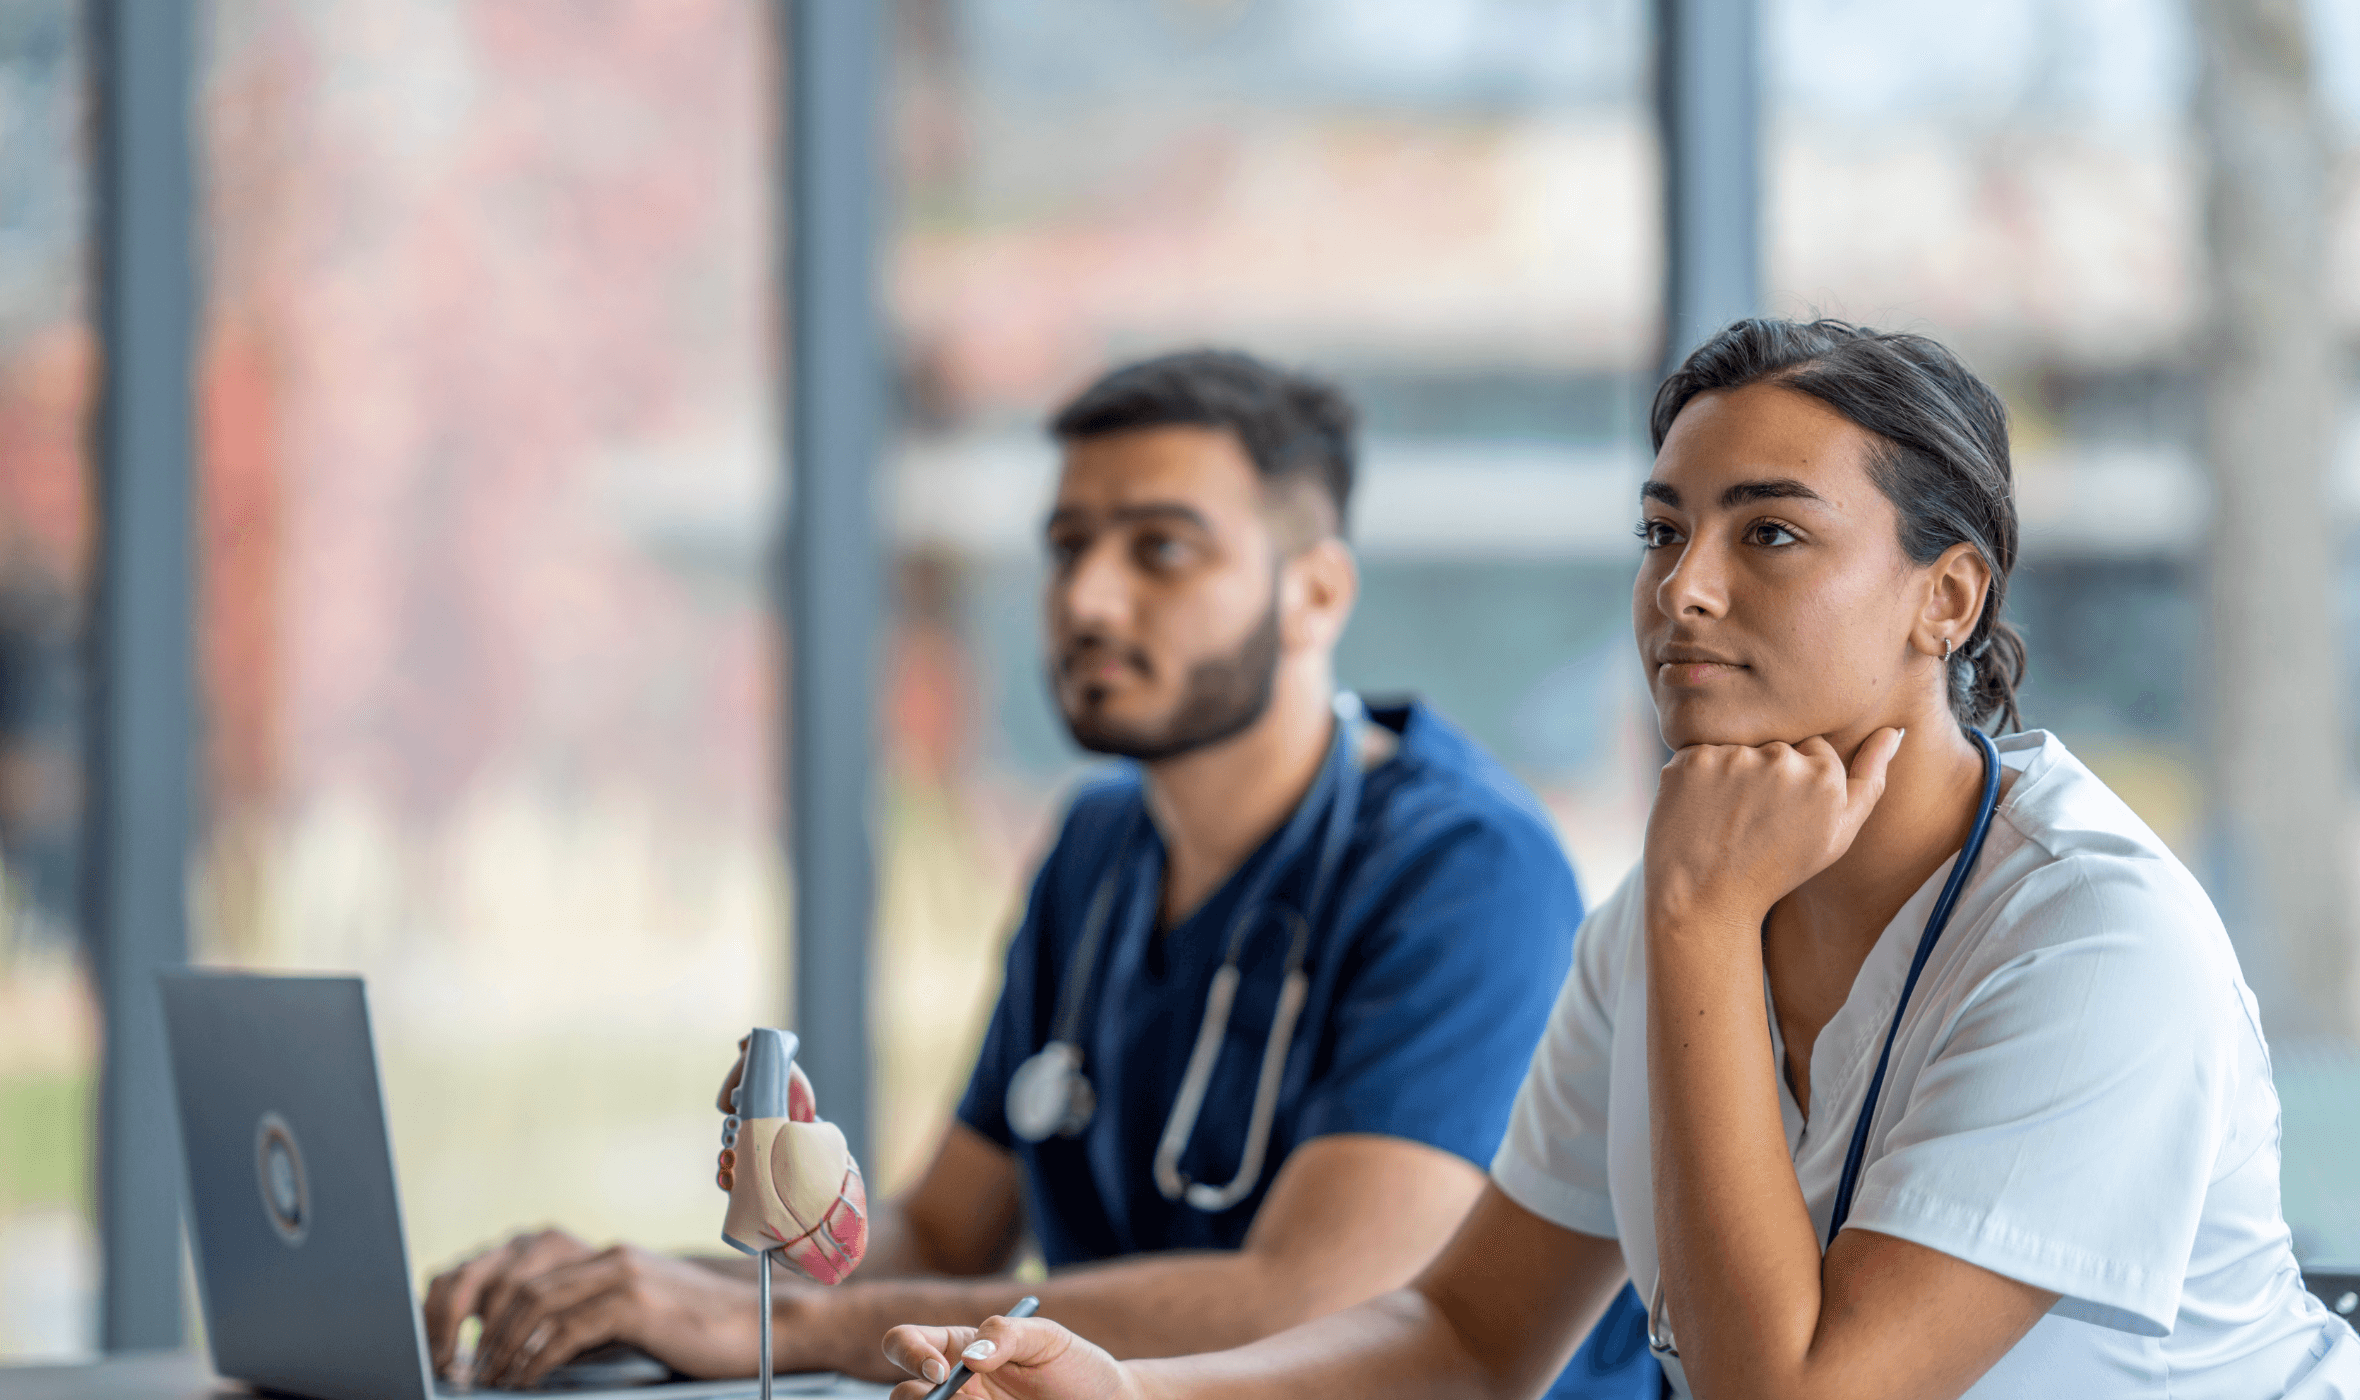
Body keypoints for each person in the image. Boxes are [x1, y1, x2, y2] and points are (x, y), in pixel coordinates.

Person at [875, 320, 2360, 1400]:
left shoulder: (2092, 944)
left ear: (1947, 601)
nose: (1683, 593)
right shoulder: (1660, 910)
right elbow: (1464, 1337)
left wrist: (1703, 918)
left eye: (1769, 534)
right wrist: (1134, 1394)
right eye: (1664, 530)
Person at [422, 348, 1658, 1397]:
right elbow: (939, 1230)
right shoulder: (1097, 846)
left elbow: (1318, 1298)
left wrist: (789, 1333)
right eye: (1068, 544)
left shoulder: (1462, 866)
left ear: (1314, 592)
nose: (1086, 595)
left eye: (1159, 549)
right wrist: (644, 1284)